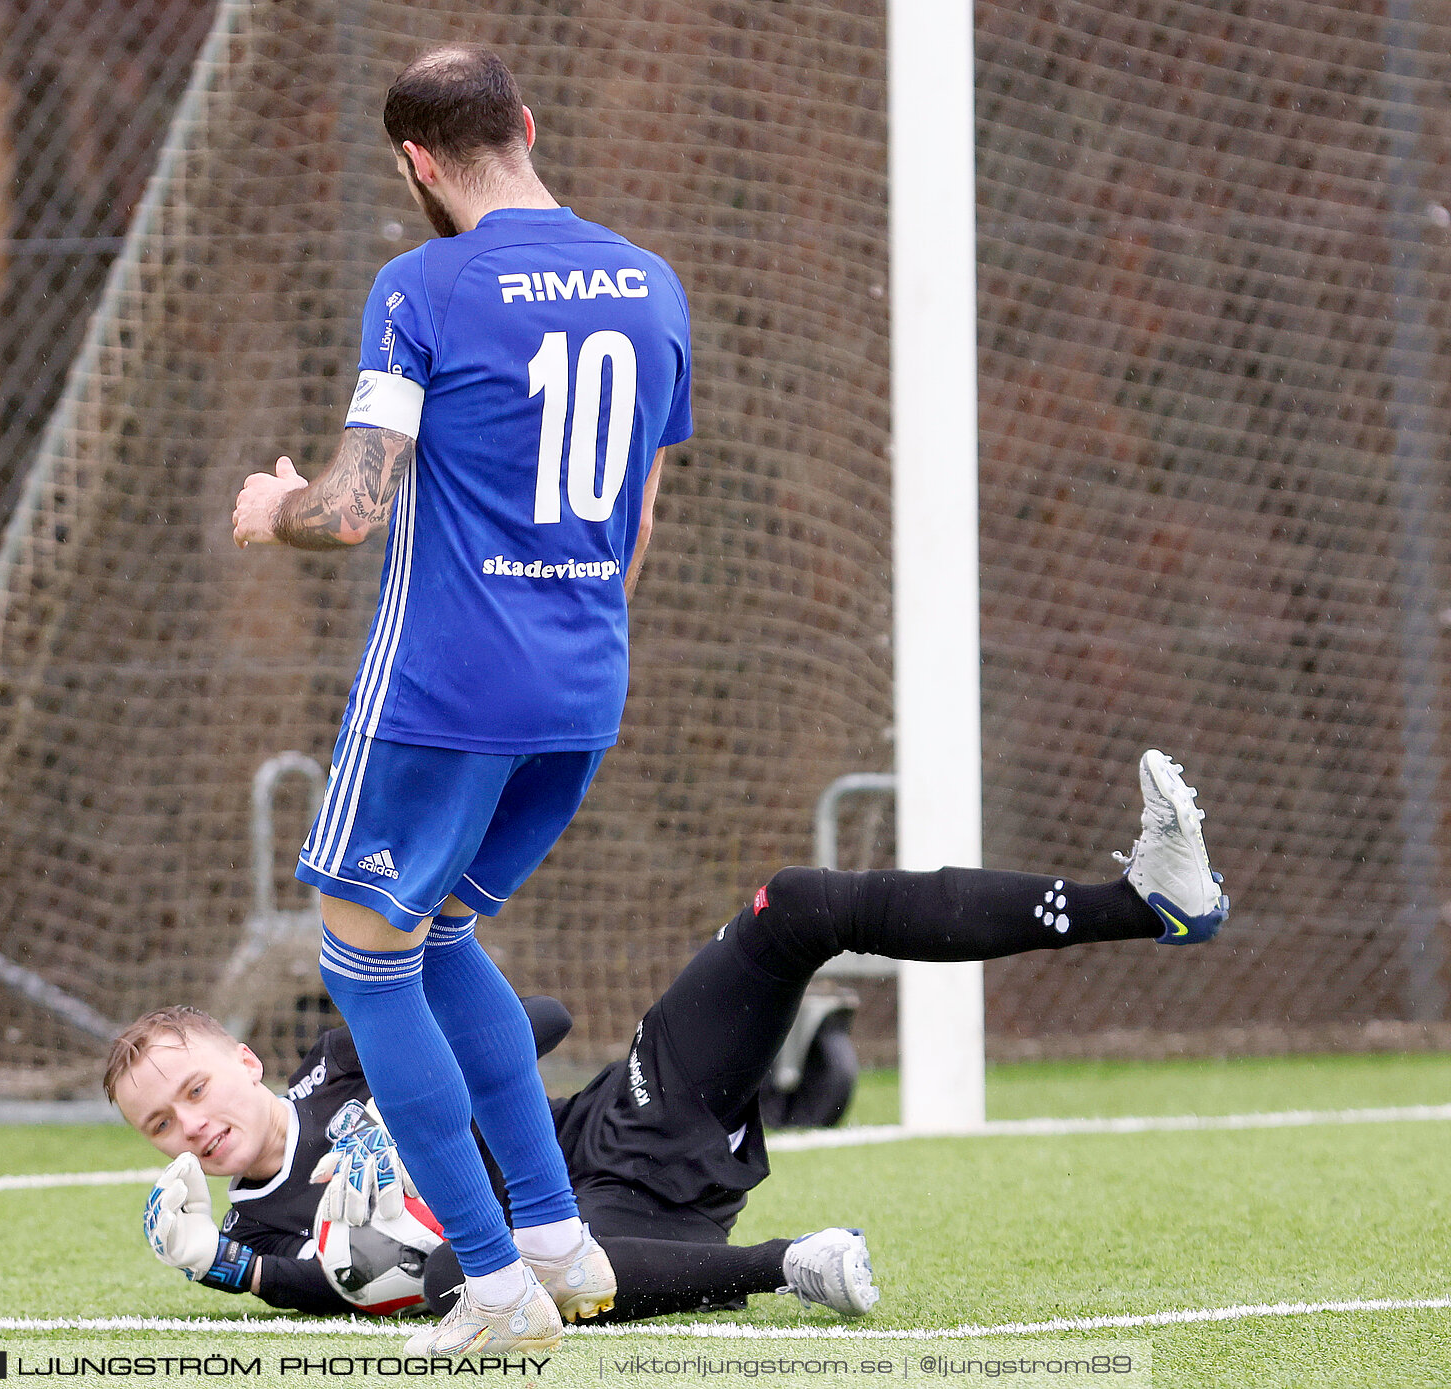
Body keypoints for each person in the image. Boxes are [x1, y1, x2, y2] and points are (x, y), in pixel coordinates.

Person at [109, 750, 1228, 1328]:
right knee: (465, 1271)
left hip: (617, 1132)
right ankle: (788, 1267)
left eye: (193, 1089)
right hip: (593, 1233)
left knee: (792, 906)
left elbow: (537, 1025)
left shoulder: (348, 1048)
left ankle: (1145, 900)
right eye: (161, 1125)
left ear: (242, 1058)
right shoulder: (264, 1232)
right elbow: (318, 1286)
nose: (192, 1126)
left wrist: (413, 1109)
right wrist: (221, 1264)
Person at [228, 44, 692, 1353]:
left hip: (444, 684)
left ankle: (494, 1287)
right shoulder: (650, 286)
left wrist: (277, 509)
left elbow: (357, 506)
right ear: (528, 126)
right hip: (584, 677)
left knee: (366, 967)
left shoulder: (419, 283)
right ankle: (555, 1236)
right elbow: (638, 514)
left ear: (416, 163)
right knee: (435, 941)